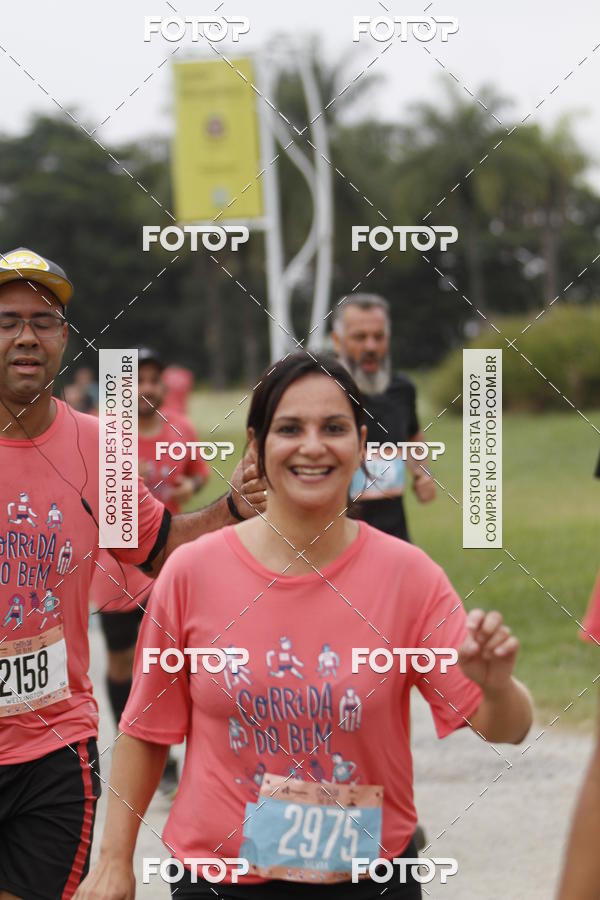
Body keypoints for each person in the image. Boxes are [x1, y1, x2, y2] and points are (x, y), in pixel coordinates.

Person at [78, 352, 533, 900]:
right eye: (290, 428)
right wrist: (114, 861)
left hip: (368, 878)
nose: (312, 445)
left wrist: (498, 684)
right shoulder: (191, 572)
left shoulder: (409, 578)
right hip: (220, 879)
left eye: (334, 428)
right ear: (256, 444)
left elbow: (505, 727)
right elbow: (146, 731)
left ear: (362, 443)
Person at [0, 247, 265, 900]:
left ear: (64, 338)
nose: (26, 335)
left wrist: (233, 506)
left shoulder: (97, 447)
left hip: (52, 749)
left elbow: (160, 548)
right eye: (6, 320)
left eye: (44, 320)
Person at [92, 346, 211, 792]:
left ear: (166, 385)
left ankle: (175, 754)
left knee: (175, 661)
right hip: (116, 569)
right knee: (123, 661)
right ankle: (133, 747)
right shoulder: (107, 433)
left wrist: (189, 483)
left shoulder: (182, 430)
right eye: (138, 379)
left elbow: (200, 474)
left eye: (155, 379)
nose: (148, 387)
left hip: (172, 566)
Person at [331, 294, 435, 543]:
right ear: (338, 341)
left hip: (394, 537)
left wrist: (423, 473)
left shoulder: (402, 389)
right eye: (359, 337)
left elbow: (413, 435)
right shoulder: (322, 389)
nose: (371, 347)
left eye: (378, 337)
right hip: (336, 539)